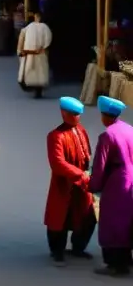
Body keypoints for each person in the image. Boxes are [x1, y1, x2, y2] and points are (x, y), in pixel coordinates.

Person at [44, 96, 96, 265]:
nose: (76, 117)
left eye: (78, 114)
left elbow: (87, 153)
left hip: (82, 185)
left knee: (86, 216)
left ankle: (78, 247)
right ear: (63, 113)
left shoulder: (81, 130)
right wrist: (80, 175)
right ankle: (57, 251)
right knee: (60, 218)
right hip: (64, 184)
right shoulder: (56, 136)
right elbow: (57, 163)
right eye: (73, 114)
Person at [88, 96, 133, 276]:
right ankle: (128, 258)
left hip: (117, 181)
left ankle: (115, 264)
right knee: (128, 219)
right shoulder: (130, 129)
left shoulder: (107, 135)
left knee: (112, 221)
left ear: (104, 115)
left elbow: (100, 164)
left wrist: (93, 184)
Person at [17, 11, 52, 96]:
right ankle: (38, 89)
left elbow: (21, 38)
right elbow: (48, 40)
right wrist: (44, 48)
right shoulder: (46, 28)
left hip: (29, 54)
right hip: (40, 54)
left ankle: (30, 86)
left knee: (29, 71)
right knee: (40, 72)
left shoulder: (28, 27)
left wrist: (19, 51)